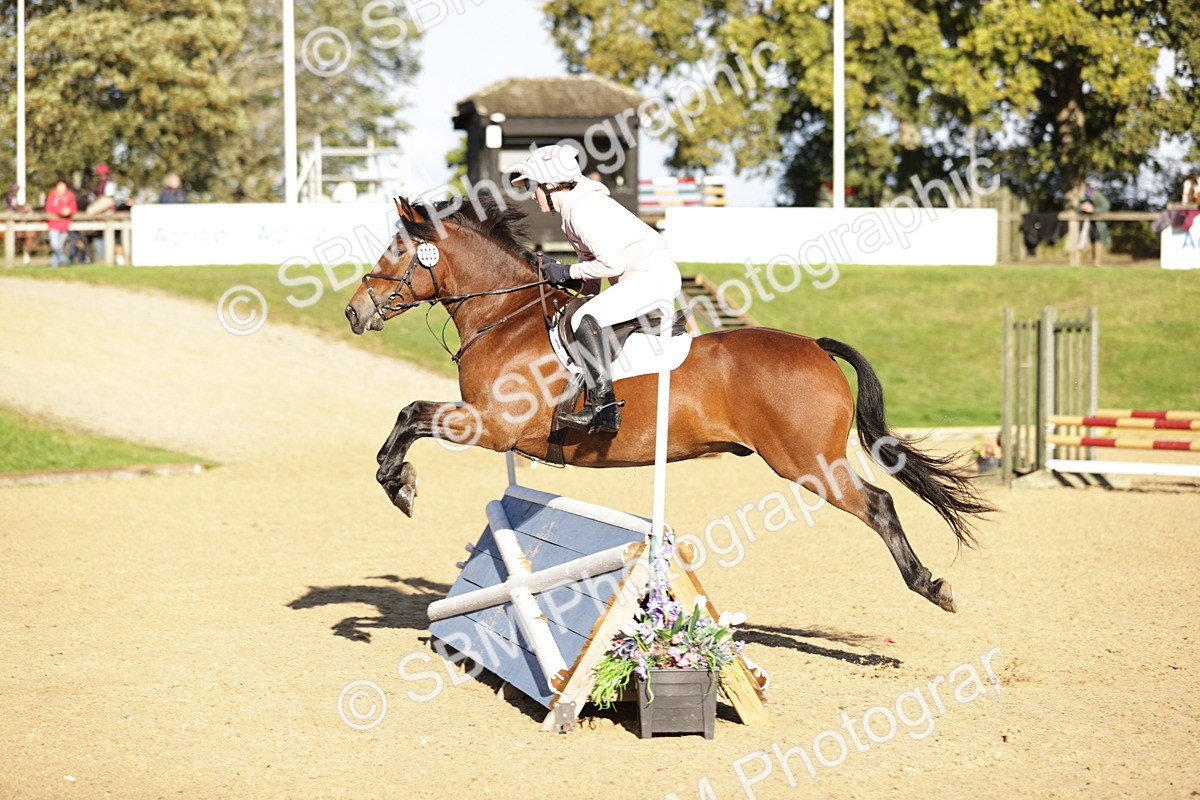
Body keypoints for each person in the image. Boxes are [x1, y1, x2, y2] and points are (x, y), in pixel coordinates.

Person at [508, 144, 683, 435]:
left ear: (550, 185)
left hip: (652, 278)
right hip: (646, 277)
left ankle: (604, 408)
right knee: (582, 312)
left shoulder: (582, 210)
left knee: (582, 319)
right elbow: (593, 280)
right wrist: (566, 283)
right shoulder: (574, 209)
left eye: (532, 186)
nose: (531, 194)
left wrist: (565, 271)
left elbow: (611, 264)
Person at [44, 178, 78, 268]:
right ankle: (65, 260)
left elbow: (74, 208)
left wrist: (69, 211)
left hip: (65, 225)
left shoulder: (70, 196)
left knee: (59, 246)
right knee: (55, 246)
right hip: (53, 224)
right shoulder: (52, 196)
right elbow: (48, 208)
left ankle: (54, 266)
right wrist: (60, 211)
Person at [1075, 181, 1110, 266]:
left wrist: (1093, 210)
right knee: (1090, 240)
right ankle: (1089, 260)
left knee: (1097, 240)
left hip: (1098, 223)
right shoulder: (1084, 197)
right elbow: (1077, 208)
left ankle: (1097, 261)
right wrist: (1082, 208)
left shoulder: (1098, 195)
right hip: (1087, 222)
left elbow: (1106, 206)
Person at [5, 183, 39, 265]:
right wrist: (21, 209)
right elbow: (12, 206)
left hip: (13, 211)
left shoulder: (14, 196)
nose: (17, 190)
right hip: (10, 212)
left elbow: (15, 205)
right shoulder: (10, 196)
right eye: (16, 189)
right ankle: (20, 233)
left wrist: (22, 207)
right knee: (22, 219)